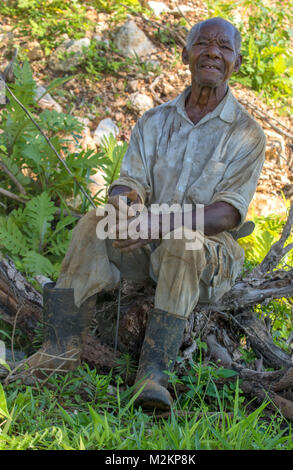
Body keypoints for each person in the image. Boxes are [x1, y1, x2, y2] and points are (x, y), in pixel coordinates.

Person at [25, 17, 266, 410]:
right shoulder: (154, 121)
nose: (212, 53)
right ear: (185, 54)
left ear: (236, 62)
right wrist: (126, 207)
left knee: (184, 241)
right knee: (94, 221)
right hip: (148, 240)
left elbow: (226, 214)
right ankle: (58, 352)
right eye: (203, 44)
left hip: (205, 256)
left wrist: (157, 222)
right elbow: (128, 182)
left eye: (224, 47)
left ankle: (153, 376)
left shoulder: (246, 133)